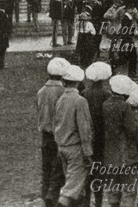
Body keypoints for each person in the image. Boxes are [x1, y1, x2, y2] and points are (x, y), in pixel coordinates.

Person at [53, 65, 94, 207]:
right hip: (75, 148)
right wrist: (88, 152)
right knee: (70, 190)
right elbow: (85, 129)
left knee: (76, 186)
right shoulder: (80, 101)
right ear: (78, 82)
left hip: (62, 146)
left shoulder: (60, 99)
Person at [102, 74, 138, 207]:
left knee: (113, 187)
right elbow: (132, 130)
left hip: (109, 153)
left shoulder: (105, 105)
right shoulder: (125, 107)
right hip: (125, 154)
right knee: (129, 189)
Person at [37, 57, 70, 207]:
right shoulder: (63, 92)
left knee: (46, 170)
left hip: (45, 135)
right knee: (59, 171)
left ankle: (44, 197)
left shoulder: (41, 91)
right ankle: (54, 197)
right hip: (59, 136)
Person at [83, 62, 112, 207]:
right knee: (99, 170)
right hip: (102, 135)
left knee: (88, 170)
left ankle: (87, 200)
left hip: (89, 134)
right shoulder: (107, 94)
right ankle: (99, 200)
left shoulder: (85, 94)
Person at [0, 2, 12, 70]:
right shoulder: (3, 15)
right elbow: (5, 26)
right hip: (2, 36)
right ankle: (0, 65)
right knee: (2, 51)